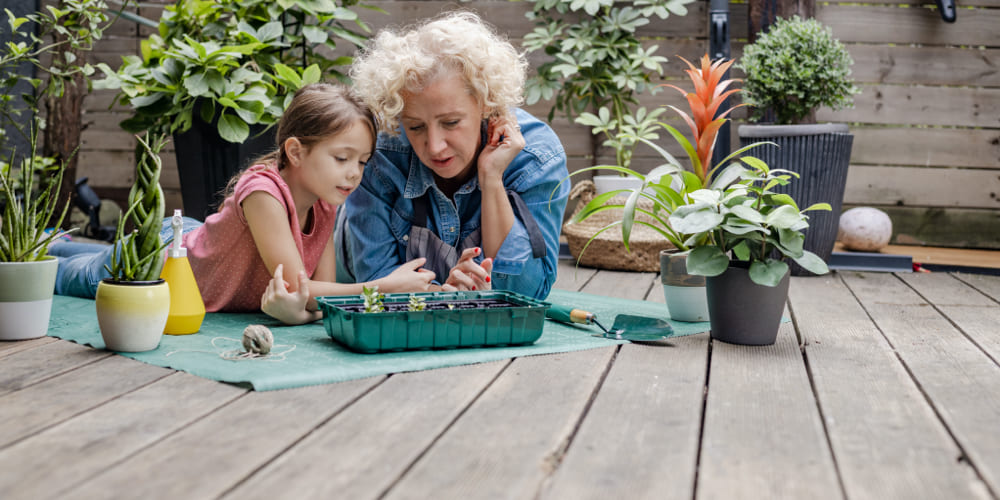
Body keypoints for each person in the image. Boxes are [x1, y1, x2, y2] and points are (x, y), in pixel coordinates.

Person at [52, 83, 437, 324]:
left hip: (198, 239)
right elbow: (298, 287)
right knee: (64, 276)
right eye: (342, 158)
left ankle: (58, 240)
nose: (355, 173)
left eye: (363, 162)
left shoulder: (326, 202)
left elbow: (320, 293)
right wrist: (383, 287)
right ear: (295, 151)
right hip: (164, 258)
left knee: (71, 251)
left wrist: (299, 311)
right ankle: (48, 245)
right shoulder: (263, 194)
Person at [338, 11, 570, 300]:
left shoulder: (536, 158)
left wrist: (492, 179)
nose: (434, 146)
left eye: (451, 123)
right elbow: (375, 282)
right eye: (416, 126)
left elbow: (527, 293)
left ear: (486, 104)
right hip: (344, 260)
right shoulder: (380, 152)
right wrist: (444, 296)